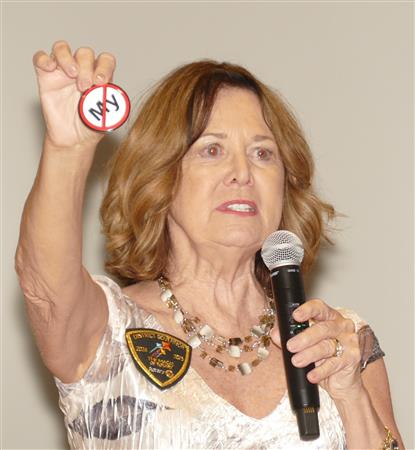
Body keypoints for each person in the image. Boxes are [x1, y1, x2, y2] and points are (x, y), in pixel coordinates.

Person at [15, 40, 404, 449]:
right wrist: (67, 151)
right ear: (160, 177)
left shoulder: (337, 339)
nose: (243, 172)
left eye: (263, 153)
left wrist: (351, 394)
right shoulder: (105, 331)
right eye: (212, 150)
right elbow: (44, 286)